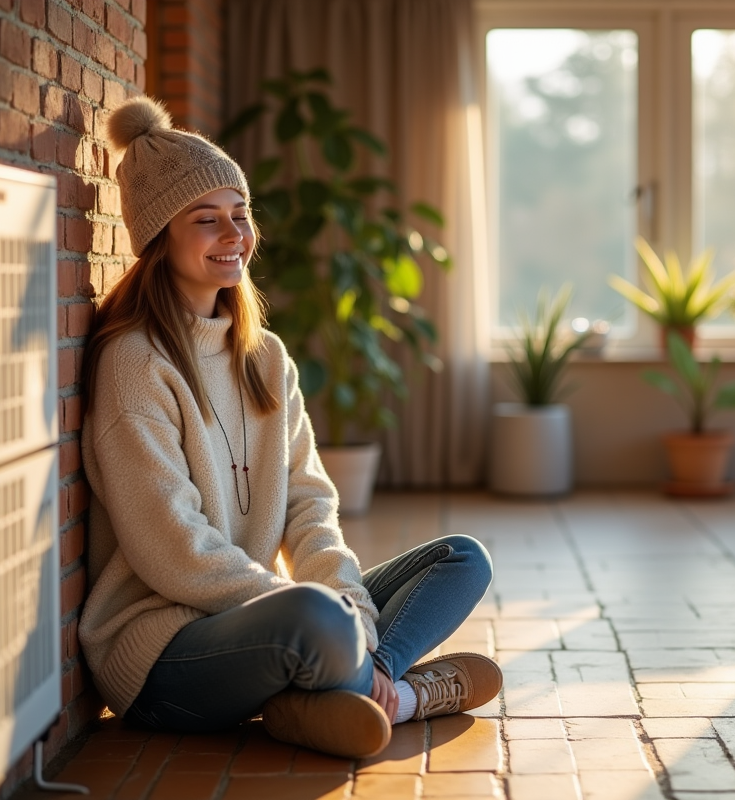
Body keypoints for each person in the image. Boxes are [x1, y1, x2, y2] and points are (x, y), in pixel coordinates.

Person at [77, 95, 501, 759]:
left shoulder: (264, 358)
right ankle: (410, 696)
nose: (235, 236)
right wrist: (312, 604)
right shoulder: (134, 361)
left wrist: (349, 603)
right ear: (160, 237)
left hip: (259, 622)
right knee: (311, 616)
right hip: (163, 653)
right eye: (207, 220)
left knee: (461, 557)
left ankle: (351, 690)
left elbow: (310, 504)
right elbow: (173, 548)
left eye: (241, 216)